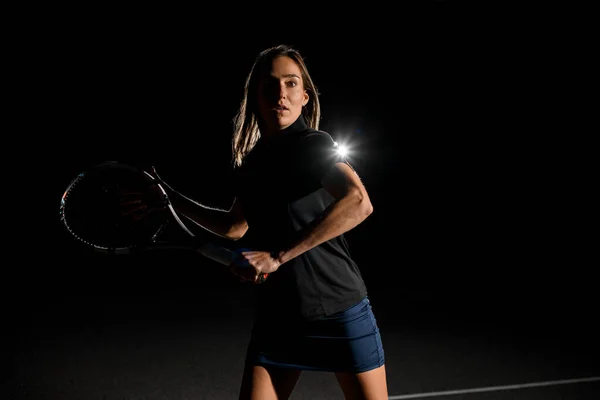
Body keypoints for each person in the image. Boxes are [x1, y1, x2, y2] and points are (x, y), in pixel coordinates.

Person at [130, 44, 388, 399]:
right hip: (280, 317)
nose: (281, 93)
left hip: (339, 308)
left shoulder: (313, 144)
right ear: (255, 95)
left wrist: (277, 257)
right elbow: (235, 227)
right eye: (270, 85)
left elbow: (358, 201)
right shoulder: (253, 163)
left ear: (306, 96)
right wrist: (172, 200)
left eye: (291, 83)